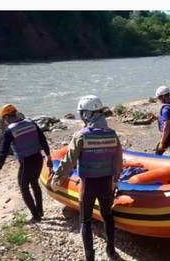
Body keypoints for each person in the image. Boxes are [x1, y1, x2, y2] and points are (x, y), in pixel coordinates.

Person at [50, 95, 122, 261]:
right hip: (106, 184)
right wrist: (116, 180)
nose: (81, 116)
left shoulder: (81, 136)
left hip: (88, 185)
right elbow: (118, 160)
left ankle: (90, 257)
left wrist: (57, 178)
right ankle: (111, 250)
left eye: (82, 113)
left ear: (87, 114)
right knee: (107, 214)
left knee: (85, 221)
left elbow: (69, 160)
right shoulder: (112, 134)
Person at [0, 104, 53, 223]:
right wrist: (49, 157)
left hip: (26, 162)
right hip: (38, 159)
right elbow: (43, 140)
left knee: (24, 188)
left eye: (3, 119)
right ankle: (40, 211)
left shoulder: (10, 130)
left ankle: (35, 216)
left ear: (6, 117)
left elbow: (2, 152)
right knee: (35, 184)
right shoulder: (30, 123)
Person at [151, 86, 170, 157]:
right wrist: (157, 117)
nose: (159, 100)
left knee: (157, 155)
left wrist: (162, 142)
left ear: (163, 97)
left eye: (159, 98)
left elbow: (166, 128)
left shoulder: (165, 109)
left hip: (168, 136)